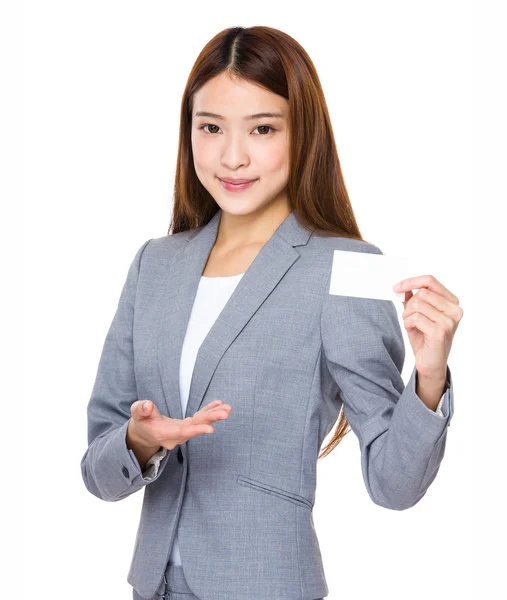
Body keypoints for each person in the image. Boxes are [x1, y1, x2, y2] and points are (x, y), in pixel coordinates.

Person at [80, 25, 463, 600]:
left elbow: (394, 485)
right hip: (152, 586)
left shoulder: (346, 267)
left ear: (302, 134)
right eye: (211, 128)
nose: (232, 156)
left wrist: (429, 378)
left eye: (262, 129)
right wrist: (140, 439)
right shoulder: (155, 265)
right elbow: (97, 473)